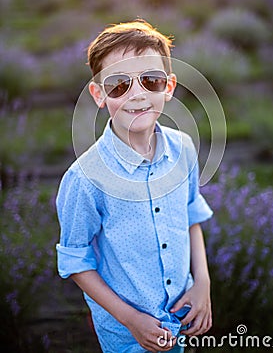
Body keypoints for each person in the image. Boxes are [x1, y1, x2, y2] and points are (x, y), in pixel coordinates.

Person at [56, 20, 213, 353]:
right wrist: (131, 319)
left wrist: (203, 284)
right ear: (98, 94)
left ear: (168, 87)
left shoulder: (183, 148)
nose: (137, 94)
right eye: (118, 85)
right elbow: (76, 262)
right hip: (127, 336)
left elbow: (191, 214)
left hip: (183, 316)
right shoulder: (86, 177)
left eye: (151, 81)